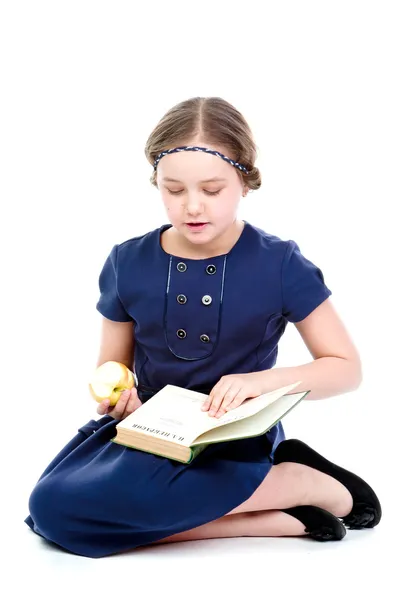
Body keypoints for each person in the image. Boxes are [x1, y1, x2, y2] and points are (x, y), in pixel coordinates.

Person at [25, 97, 381, 558]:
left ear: (246, 181)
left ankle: (300, 480)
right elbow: (112, 367)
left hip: (233, 439)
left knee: (83, 521)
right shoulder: (127, 262)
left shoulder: (279, 263)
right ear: (158, 183)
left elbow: (345, 368)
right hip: (152, 433)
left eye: (212, 190)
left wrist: (258, 384)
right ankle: (279, 511)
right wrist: (116, 396)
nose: (193, 206)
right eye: (174, 190)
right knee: (52, 510)